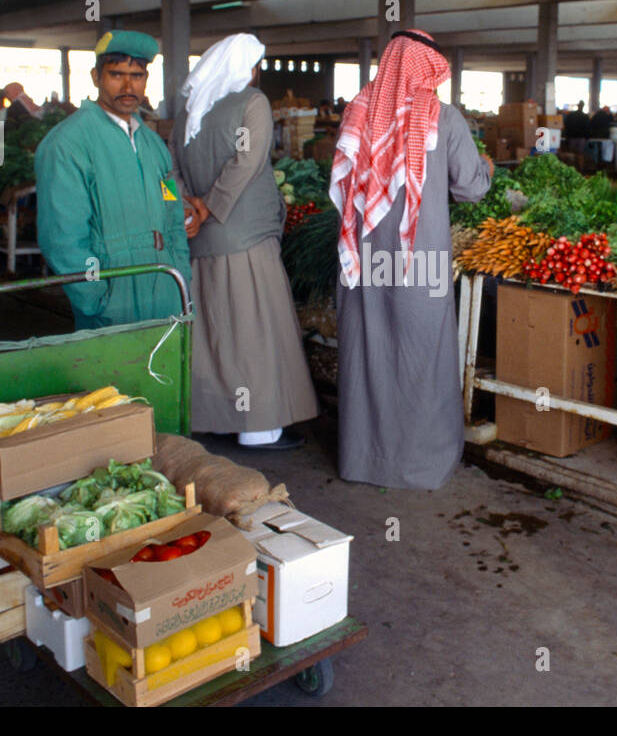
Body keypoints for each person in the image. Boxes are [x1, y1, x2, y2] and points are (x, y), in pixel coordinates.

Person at [331, 30, 493, 489]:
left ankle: (363, 461)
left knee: (369, 354)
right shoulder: (441, 118)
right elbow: (472, 187)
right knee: (422, 355)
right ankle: (421, 465)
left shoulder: (358, 112)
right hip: (418, 264)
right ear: (431, 69)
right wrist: (487, 169)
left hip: (360, 263)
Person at [169, 34, 318, 450]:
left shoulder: (189, 112)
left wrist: (190, 209)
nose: (258, 73)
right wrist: (212, 207)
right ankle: (258, 428)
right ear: (247, 68)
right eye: (257, 64)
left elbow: (174, 168)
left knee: (214, 332)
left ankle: (216, 419)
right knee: (253, 329)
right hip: (244, 237)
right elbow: (247, 161)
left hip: (199, 239)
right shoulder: (252, 103)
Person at [35, 30, 192, 329]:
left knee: (166, 375)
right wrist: (95, 298)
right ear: (96, 76)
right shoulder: (68, 144)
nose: (129, 85)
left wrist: (182, 271)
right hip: (111, 295)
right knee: (114, 376)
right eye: (116, 74)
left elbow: (171, 208)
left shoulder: (154, 145)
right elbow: (63, 238)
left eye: (137, 75)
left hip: (167, 290)